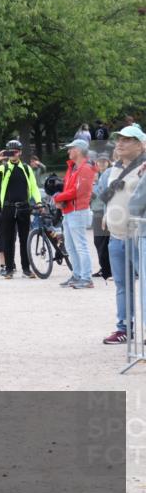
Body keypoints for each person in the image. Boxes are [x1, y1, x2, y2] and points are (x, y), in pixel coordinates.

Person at [101, 125, 146, 344]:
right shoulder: (114, 168)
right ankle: (124, 328)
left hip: (138, 236)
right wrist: (106, 215)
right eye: (119, 139)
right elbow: (110, 195)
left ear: (140, 144)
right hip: (116, 236)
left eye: (126, 140)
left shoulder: (144, 166)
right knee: (121, 285)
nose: (120, 143)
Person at [0, 139, 41, 279]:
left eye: (15, 151)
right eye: (10, 151)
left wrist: (38, 201)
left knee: (25, 239)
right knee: (8, 239)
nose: (13, 154)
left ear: (19, 152)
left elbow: (34, 186)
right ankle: (9, 269)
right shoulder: (3, 168)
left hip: (24, 207)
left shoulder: (26, 168)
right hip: (8, 207)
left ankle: (26, 269)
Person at [54, 139, 96, 289]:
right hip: (70, 210)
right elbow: (69, 189)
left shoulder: (85, 168)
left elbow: (78, 191)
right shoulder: (74, 167)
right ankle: (77, 275)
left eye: (70, 148)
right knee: (71, 246)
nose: (68, 151)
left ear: (78, 150)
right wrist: (61, 199)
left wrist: (58, 198)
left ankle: (86, 278)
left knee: (80, 246)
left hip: (78, 210)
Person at [91, 154, 112, 281]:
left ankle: (107, 269)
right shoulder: (96, 175)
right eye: (100, 161)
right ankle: (104, 268)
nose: (102, 163)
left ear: (108, 162)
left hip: (103, 211)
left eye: (104, 161)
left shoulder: (109, 175)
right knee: (99, 241)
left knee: (103, 242)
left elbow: (98, 193)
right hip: (96, 211)